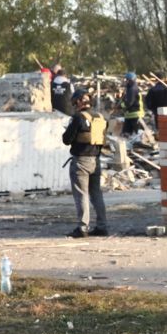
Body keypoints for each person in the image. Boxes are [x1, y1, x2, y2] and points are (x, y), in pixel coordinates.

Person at [61, 89, 108, 238]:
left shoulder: (78, 117)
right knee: (96, 194)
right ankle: (102, 226)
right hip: (96, 160)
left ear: (78, 102)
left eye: (75, 102)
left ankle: (83, 227)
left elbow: (66, 139)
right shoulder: (100, 117)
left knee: (81, 195)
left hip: (81, 161)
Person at [120, 72, 145, 137]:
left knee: (138, 135)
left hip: (136, 114)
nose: (125, 81)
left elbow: (129, 102)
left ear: (131, 80)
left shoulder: (132, 89)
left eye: (127, 79)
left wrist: (121, 106)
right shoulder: (129, 88)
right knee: (126, 134)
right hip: (130, 115)